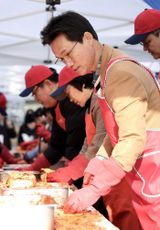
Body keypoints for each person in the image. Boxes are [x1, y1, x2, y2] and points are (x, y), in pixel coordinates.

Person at [41, 11, 160, 229]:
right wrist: (98, 163)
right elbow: (114, 133)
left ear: (87, 38)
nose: (68, 64)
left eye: (68, 54)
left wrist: (96, 188)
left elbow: (132, 138)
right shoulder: (107, 72)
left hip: (152, 180)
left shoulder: (120, 72)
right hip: (140, 178)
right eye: (62, 59)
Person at [48, 66, 141, 230]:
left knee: (128, 220)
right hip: (105, 177)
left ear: (83, 85)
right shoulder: (88, 107)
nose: (69, 99)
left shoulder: (99, 103)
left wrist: (72, 173)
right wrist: (70, 170)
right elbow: (88, 145)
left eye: (69, 93)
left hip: (120, 175)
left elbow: (99, 144)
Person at [18, 65, 86, 181]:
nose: (35, 99)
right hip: (79, 168)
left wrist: (67, 173)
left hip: (90, 168)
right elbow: (56, 146)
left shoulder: (72, 101)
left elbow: (76, 143)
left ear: (48, 84)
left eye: (35, 93)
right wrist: (32, 169)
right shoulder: (56, 107)